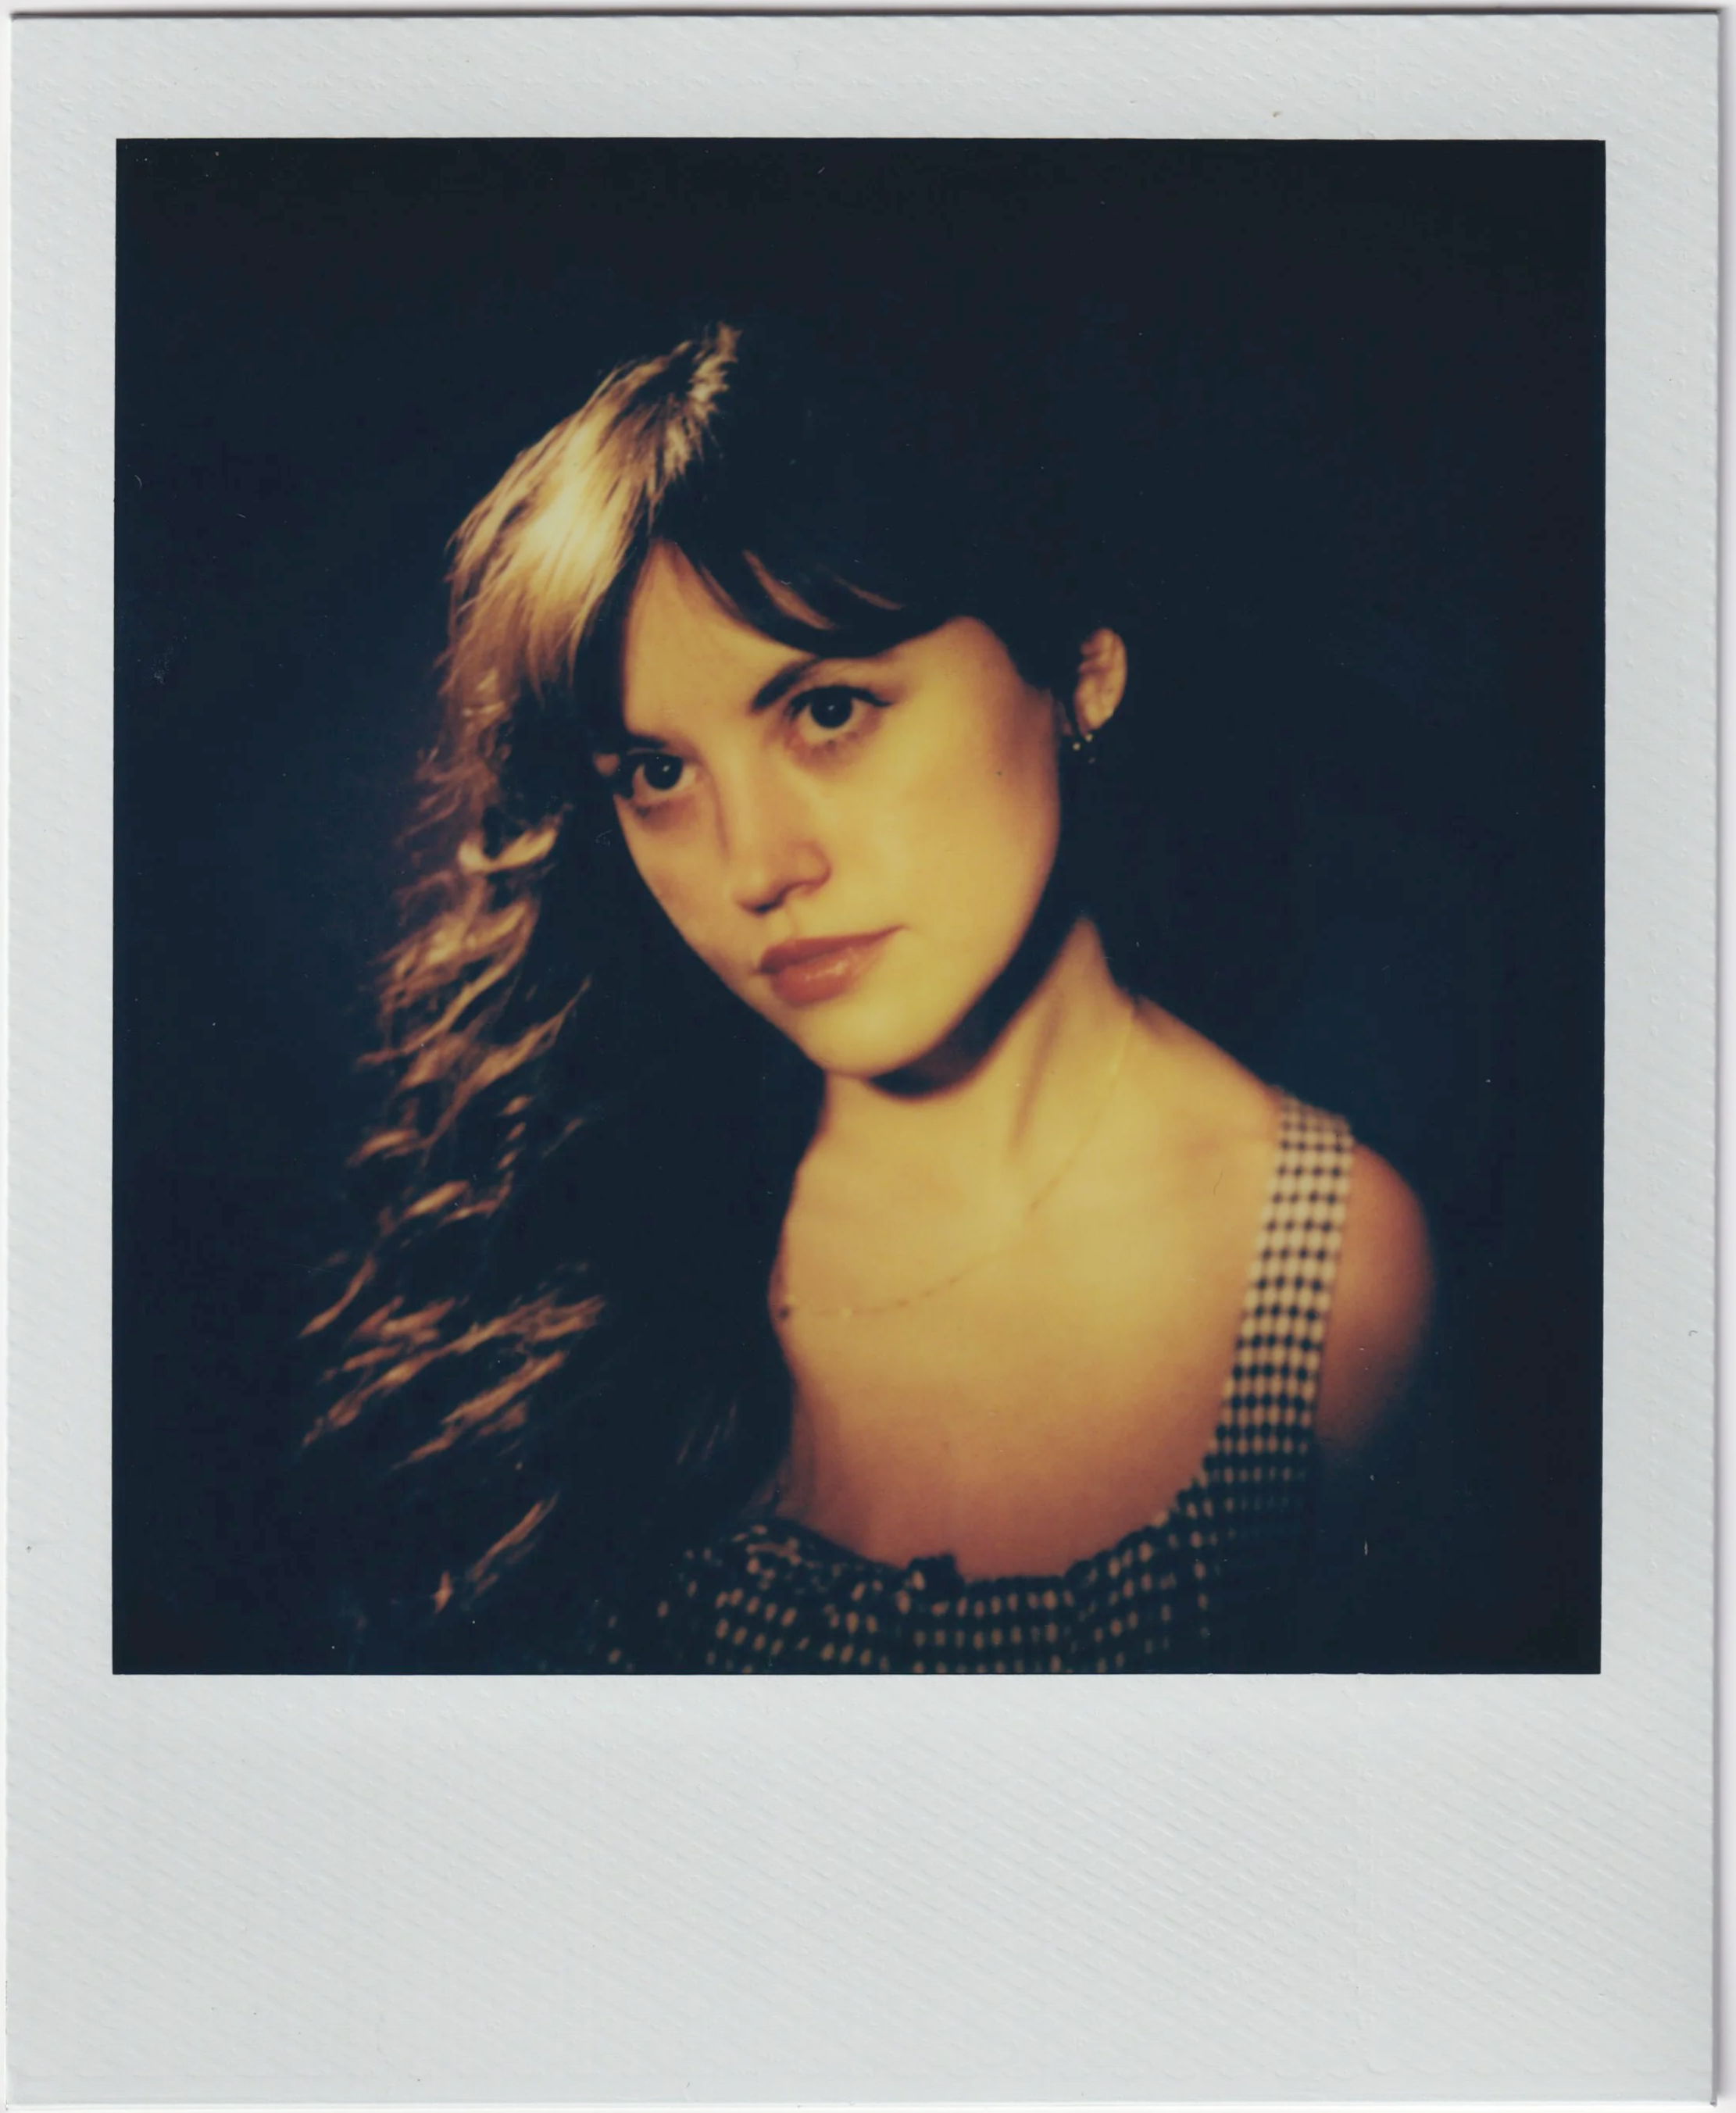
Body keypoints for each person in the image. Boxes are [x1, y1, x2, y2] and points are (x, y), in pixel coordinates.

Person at [307, 317, 1432, 1672]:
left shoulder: (1329, 1283)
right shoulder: (579, 1177)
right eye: (658, 773)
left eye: (828, 712)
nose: (756, 867)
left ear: (1077, 674)